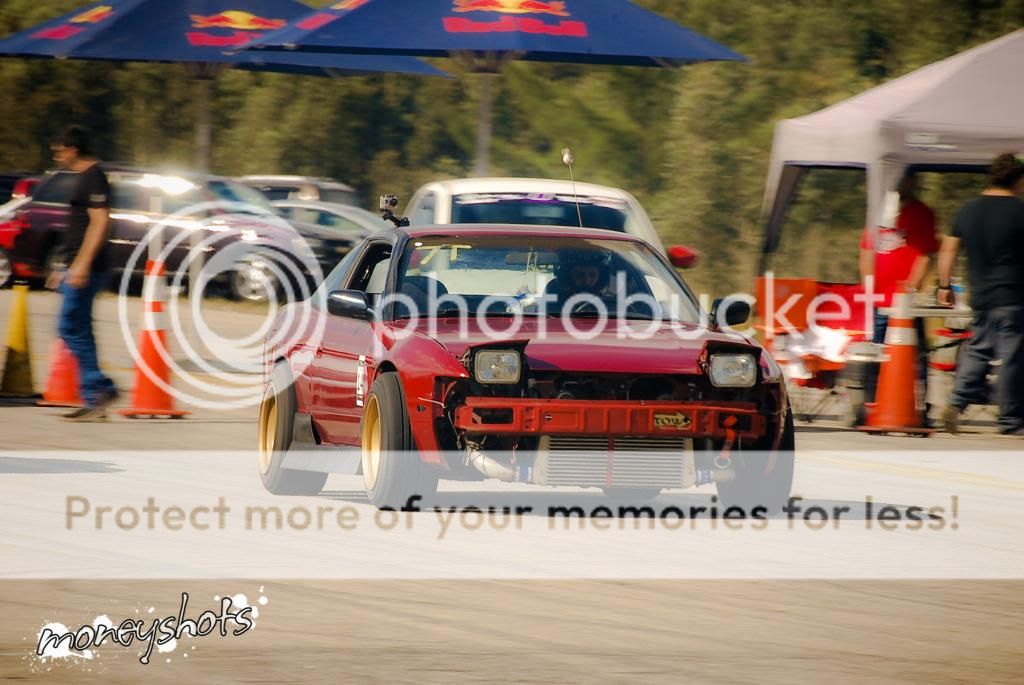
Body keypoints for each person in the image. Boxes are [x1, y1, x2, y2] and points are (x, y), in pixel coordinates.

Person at [938, 153, 1024, 435]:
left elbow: (948, 249)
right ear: (1018, 180)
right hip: (1012, 296)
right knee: (1012, 358)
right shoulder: (1019, 211)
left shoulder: (968, 209)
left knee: (978, 351)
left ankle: (956, 403)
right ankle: (1011, 421)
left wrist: (944, 286)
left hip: (981, 296)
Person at [46, 126, 119, 422]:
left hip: (88, 267)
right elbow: (78, 227)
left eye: (59, 151)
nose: (57, 156)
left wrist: (81, 265)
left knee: (70, 328)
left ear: (73, 149)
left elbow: (100, 222)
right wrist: (63, 266)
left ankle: (100, 389)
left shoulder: (93, 176)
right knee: (80, 329)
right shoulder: (85, 177)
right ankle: (96, 397)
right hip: (76, 265)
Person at [858, 171, 940, 419]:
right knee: (875, 354)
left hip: (906, 302)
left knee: (913, 356)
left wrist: (909, 291)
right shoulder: (878, 213)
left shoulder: (922, 213)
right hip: (878, 300)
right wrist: (869, 289)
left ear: (912, 181)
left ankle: (918, 408)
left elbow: (925, 255)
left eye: (904, 178)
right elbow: (866, 252)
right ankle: (872, 406)